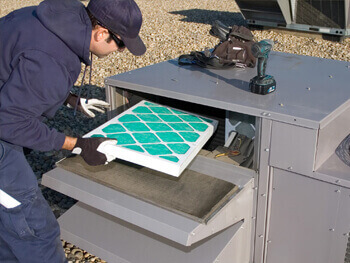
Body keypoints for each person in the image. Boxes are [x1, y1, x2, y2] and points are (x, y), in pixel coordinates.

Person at [0, 0, 146, 261]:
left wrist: (69, 99)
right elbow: (11, 123)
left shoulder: (48, 18)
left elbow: (20, 68)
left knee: (9, 227)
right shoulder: (53, 61)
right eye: (121, 43)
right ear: (101, 33)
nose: (121, 51)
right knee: (38, 232)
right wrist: (80, 145)